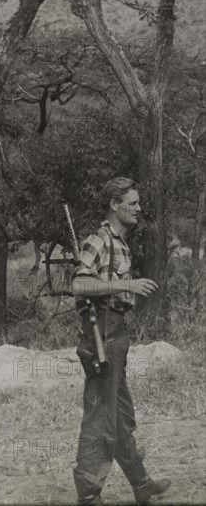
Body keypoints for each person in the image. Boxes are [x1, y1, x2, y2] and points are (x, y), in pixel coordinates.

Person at [72, 177, 171, 505]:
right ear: (114, 204)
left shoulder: (121, 241)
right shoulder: (100, 240)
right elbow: (79, 285)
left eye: (139, 203)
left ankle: (141, 484)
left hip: (118, 337)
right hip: (102, 337)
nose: (139, 209)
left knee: (121, 416)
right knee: (101, 419)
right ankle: (88, 495)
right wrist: (124, 286)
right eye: (133, 203)